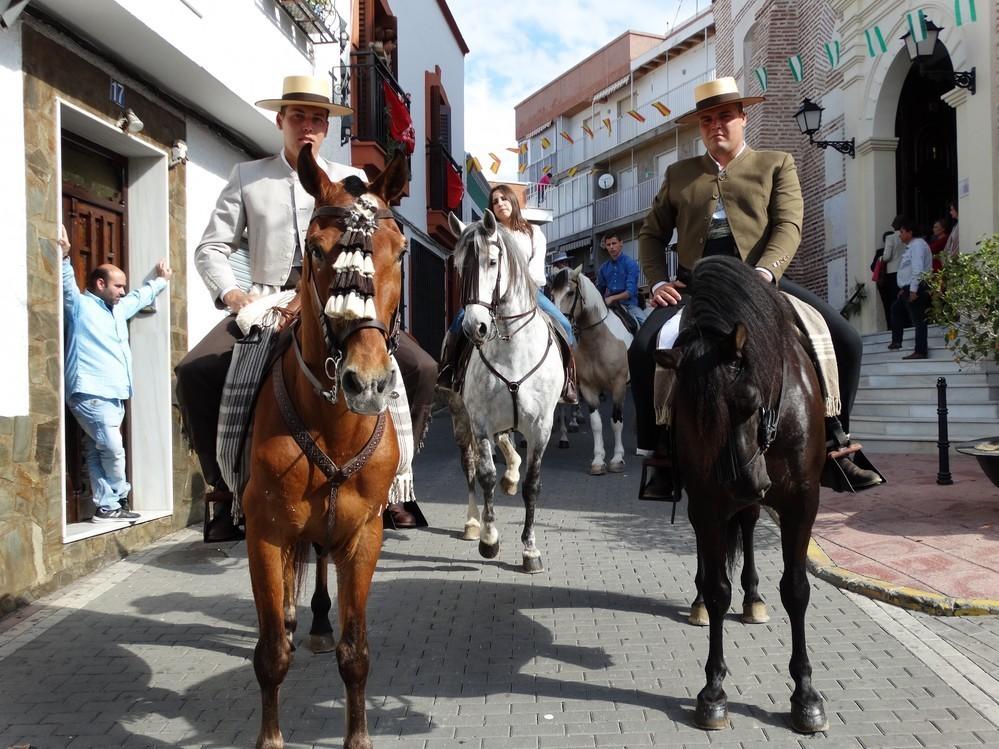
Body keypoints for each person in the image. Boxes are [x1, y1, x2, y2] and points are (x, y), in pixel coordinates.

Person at [175, 75, 435, 538]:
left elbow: (377, 241)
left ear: (327, 127)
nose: (308, 125)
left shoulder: (353, 183)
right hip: (270, 298)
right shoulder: (249, 178)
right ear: (281, 121)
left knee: (421, 368)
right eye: (298, 116)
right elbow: (211, 248)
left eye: (318, 118)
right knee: (195, 371)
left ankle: (397, 482)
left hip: (342, 298)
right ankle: (224, 490)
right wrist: (233, 295)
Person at [628, 76, 881, 493]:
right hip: (699, 287)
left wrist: (766, 271)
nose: (716, 126)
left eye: (725, 115)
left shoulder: (776, 163)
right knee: (642, 349)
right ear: (700, 128)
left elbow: (789, 224)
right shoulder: (679, 174)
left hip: (762, 279)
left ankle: (837, 445)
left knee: (847, 340)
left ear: (743, 118)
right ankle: (660, 455)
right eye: (707, 119)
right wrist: (657, 282)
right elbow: (651, 235)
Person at [60, 225, 172, 522]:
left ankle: (106, 507)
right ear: (100, 284)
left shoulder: (117, 310)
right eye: (117, 286)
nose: (123, 291)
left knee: (97, 451)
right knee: (113, 448)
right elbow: (67, 287)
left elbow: (138, 297)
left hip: (115, 393)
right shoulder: (81, 307)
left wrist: (160, 282)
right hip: (90, 391)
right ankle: (119, 496)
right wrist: (64, 257)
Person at [439, 185, 576, 392]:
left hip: (528, 292)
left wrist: (516, 285)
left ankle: (568, 381)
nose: (500, 203)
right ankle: (449, 373)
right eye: (495, 201)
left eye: (504, 198)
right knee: (458, 324)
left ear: (513, 201)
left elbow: (537, 269)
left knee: (564, 325)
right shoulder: (488, 233)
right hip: (491, 293)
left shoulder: (533, 232)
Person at [889, 218, 933, 360]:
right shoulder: (912, 246)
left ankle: (920, 350)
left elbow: (917, 268)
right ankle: (896, 341)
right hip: (908, 287)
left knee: (919, 319)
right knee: (896, 309)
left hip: (917, 287)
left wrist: (913, 289)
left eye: (902, 232)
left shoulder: (917, 245)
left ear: (910, 232)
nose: (900, 235)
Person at [596, 231, 648, 327]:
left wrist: (611, 298)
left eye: (614, 243)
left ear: (621, 243)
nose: (611, 247)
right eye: (608, 244)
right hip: (609, 307)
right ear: (606, 247)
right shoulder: (603, 268)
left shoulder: (630, 264)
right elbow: (599, 291)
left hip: (629, 305)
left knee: (646, 325)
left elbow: (630, 292)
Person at [879, 216, 904, 330]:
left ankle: (895, 326)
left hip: (893, 272)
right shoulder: (906, 237)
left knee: (893, 300)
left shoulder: (891, 238)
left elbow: (887, 256)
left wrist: (881, 258)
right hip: (904, 270)